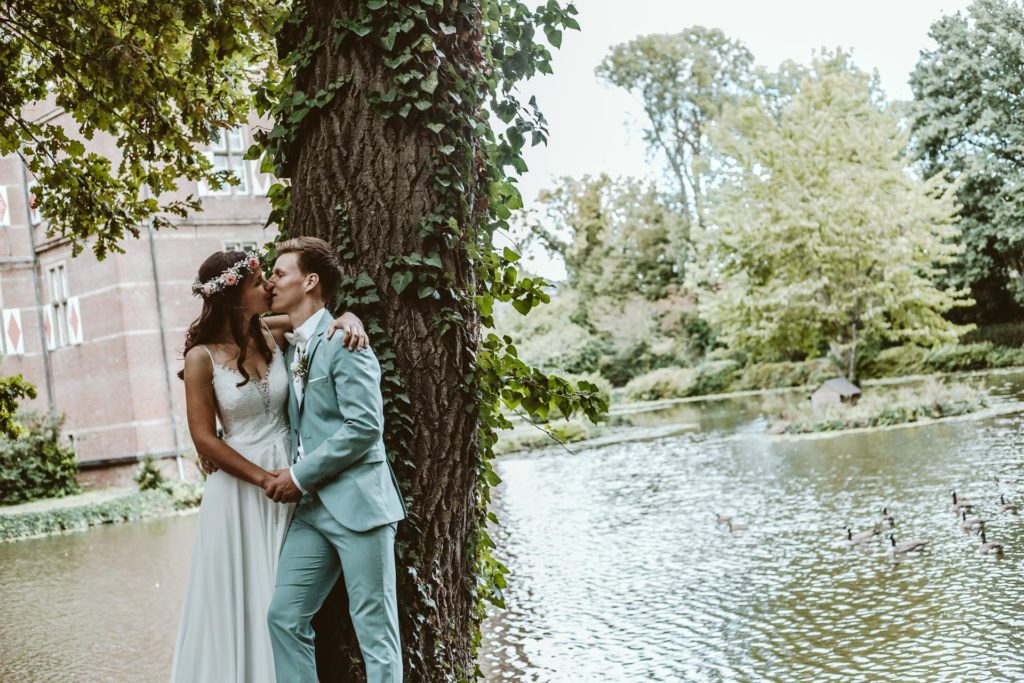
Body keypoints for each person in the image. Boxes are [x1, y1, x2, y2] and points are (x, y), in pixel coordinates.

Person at [170, 249, 368, 683]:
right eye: (259, 282)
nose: (269, 287)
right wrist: (266, 480)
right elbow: (204, 437)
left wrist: (351, 316)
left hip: (293, 473)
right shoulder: (201, 358)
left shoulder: (272, 331)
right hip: (245, 488)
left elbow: (321, 323)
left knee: (286, 598)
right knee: (246, 597)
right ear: (235, 293)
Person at [263, 237, 406, 683]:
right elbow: (237, 323)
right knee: (283, 617)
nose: (270, 281)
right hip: (311, 513)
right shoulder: (288, 344)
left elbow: (364, 428)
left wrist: (299, 477)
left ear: (310, 281)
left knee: (375, 632)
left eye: (280, 273)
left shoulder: (346, 340)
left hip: (359, 505)